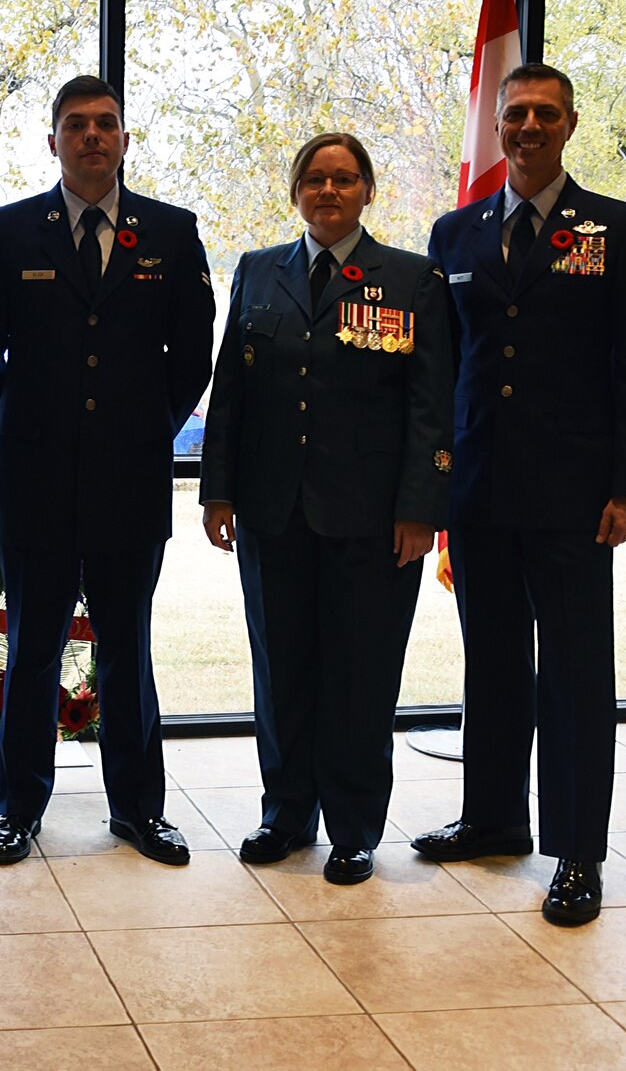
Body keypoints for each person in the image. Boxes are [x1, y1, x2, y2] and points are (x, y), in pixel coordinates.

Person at [413, 63, 626, 925]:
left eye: (544, 114)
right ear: (497, 125)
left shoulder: (620, 230)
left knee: (572, 675)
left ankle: (575, 851)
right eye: (514, 113)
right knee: (491, 664)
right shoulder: (454, 235)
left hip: (573, 497)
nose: (527, 127)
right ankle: (493, 818)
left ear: (569, 123)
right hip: (479, 494)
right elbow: (440, 372)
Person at [0, 75, 214, 867]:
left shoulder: (173, 235)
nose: (91, 137)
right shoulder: (7, 233)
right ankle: (18, 810)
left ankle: (139, 810)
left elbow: (192, 356)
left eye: (105, 124)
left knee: (125, 651)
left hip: (129, 483)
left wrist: (148, 432)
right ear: (52, 142)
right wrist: (21, 420)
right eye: (75, 125)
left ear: (125, 139)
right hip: (35, 480)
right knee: (34, 649)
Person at [199, 132, 452, 885]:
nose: (328, 190)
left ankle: (353, 828)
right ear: (295, 193)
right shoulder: (257, 273)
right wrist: (218, 490)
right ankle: (286, 813)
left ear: (368, 191)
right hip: (273, 513)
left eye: (344, 179)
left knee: (361, 674)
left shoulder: (412, 279)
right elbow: (231, 394)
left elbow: (431, 408)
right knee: (281, 670)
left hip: (373, 522)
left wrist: (420, 510)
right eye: (314, 178)